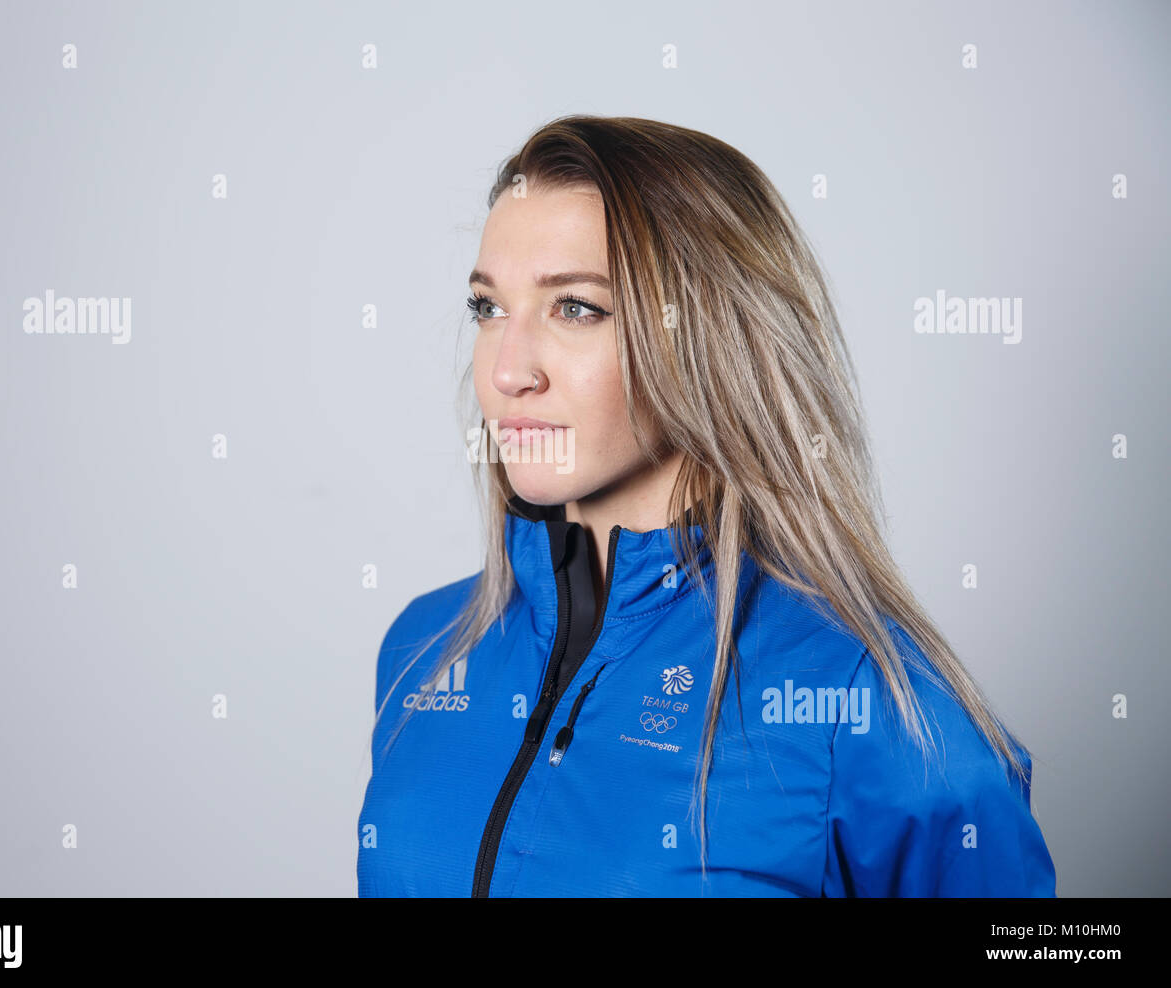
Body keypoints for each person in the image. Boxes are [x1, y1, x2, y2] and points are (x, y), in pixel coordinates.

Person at [356, 114, 1056, 897]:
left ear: (710, 337)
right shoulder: (427, 652)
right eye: (489, 308)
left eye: (576, 308)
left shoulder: (864, 699)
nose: (509, 371)